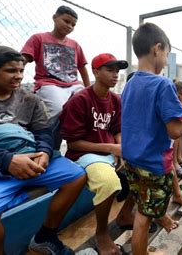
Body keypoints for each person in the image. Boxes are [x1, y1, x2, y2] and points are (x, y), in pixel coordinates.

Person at [0, 46, 87, 255]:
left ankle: (45, 236)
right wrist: (8, 161)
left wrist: (45, 153)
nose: (18, 76)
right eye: (11, 71)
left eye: (21, 71)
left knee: (76, 176)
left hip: (31, 159)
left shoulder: (30, 99)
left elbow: (44, 132)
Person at [121, 23, 182, 255]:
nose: (166, 59)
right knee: (143, 217)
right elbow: (176, 130)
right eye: (167, 53)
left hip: (132, 160)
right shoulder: (162, 84)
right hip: (152, 164)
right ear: (157, 48)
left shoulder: (130, 83)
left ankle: (162, 220)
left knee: (143, 201)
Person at [59, 53, 134, 255]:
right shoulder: (80, 99)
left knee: (146, 167)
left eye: (117, 71)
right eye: (109, 70)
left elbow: (117, 129)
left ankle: (125, 215)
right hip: (85, 154)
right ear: (95, 72)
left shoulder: (116, 100)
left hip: (109, 151)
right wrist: (111, 149)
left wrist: (122, 149)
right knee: (109, 182)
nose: (115, 75)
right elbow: (73, 143)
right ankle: (102, 233)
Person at [21, 5, 91, 118]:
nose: (70, 26)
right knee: (59, 111)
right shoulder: (39, 38)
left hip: (73, 85)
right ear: (55, 17)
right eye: (66, 21)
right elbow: (22, 60)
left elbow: (82, 68)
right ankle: (55, 135)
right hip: (49, 84)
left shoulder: (75, 45)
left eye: (73, 25)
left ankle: (76, 135)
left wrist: (88, 90)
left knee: (85, 108)